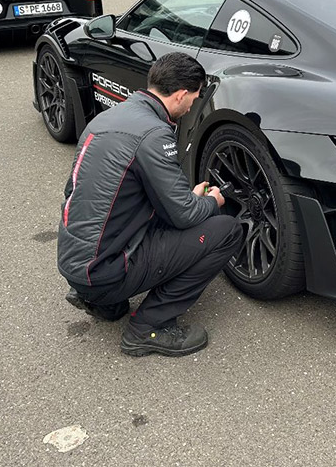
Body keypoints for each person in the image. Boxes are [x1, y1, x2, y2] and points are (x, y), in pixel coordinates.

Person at [57, 52, 243, 358]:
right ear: (181, 94)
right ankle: (148, 328)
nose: (192, 106)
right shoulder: (154, 134)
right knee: (227, 230)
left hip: (75, 264)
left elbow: (88, 194)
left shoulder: (105, 120)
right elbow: (183, 215)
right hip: (104, 272)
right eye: (194, 99)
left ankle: (101, 302)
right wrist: (211, 201)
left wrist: (188, 199)